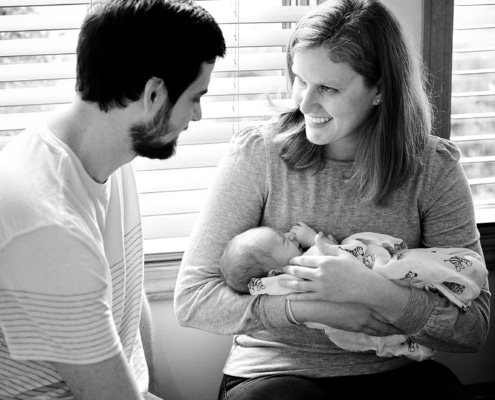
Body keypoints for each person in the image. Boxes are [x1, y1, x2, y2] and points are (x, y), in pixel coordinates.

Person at [174, 0, 490, 399]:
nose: (304, 103)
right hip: (277, 372)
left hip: (391, 366)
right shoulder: (260, 154)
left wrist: (372, 292)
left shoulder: (433, 169)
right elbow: (193, 299)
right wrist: (317, 310)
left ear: (380, 90)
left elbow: (473, 328)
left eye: (328, 87)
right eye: (300, 79)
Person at [0, 0, 225, 398]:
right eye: (195, 97)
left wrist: (151, 388)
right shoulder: (47, 223)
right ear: (154, 93)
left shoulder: (108, 154)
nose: (199, 115)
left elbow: (124, 294)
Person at [219, 222, 488, 361]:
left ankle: (403, 346)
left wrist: (372, 292)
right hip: (283, 365)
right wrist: (314, 239)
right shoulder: (303, 265)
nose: (289, 235)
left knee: (377, 338)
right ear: (273, 274)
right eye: (281, 239)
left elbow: (472, 332)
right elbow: (335, 253)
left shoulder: (274, 282)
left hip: (365, 343)